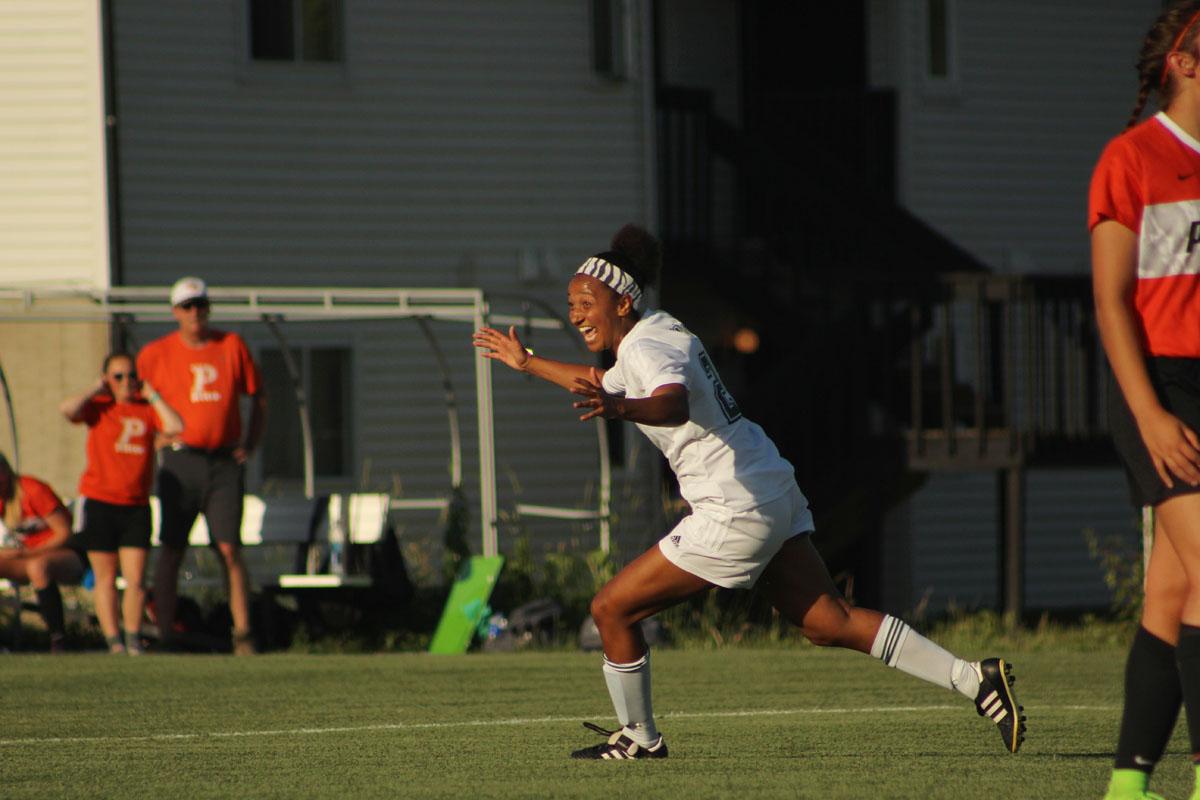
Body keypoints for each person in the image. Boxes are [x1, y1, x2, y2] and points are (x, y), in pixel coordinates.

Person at [473, 224, 1026, 760]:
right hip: (771, 488)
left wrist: (622, 409)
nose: (575, 313)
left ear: (621, 303)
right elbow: (598, 382)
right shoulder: (658, 330)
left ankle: (639, 737)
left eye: (585, 300)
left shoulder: (645, 350)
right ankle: (973, 678)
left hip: (733, 506)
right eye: (571, 302)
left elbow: (671, 403)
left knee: (610, 610)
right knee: (827, 620)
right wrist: (527, 363)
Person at [1090, 3, 1200, 798]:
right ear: (1184, 63)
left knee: (1172, 589)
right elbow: (1112, 302)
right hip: (1157, 385)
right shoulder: (1132, 159)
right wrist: (1152, 414)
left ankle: (1128, 787)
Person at [136, 276, 266, 655]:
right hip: (180, 461)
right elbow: (138, 401)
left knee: (228, 549)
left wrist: (250, 444)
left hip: (223, 462)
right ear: (176, 312)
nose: (196, 313)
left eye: (201, 304)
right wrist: (154, 438)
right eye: (188, 306)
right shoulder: (156, 354)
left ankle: (242, 633)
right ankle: (165, 633)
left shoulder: (231, 345)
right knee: (172, 548)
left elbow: (259, 397)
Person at [60, 352, 183, 654]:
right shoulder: (100, 408)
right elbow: (67, 409)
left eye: (130, 375)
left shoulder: (145, 409)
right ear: (107, 380)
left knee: (137, 580)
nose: (126, 382)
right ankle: (113, 641)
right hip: (101, 502)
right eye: (118, 376)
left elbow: (176, 426)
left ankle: (133, 637)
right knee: (105, 577)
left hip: (136, 505)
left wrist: (152, 393)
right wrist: (95, 389)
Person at [0, 453, 85, 652]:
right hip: (28, 556)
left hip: (68, 554)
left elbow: (64, 533)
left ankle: (58, 639)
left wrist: (24, 553)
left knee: (38, 567)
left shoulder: (32, 489)